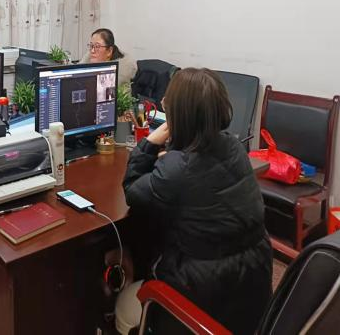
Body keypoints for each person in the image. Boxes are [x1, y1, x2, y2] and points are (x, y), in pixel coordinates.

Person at [116, 68, 272, 335]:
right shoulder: (235, 148)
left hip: (199, 303)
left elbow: (132, 190)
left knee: (123, 301)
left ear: (178, 115)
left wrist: (150, 143)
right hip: (251, 295)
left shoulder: (177, 169)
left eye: (167, 104)